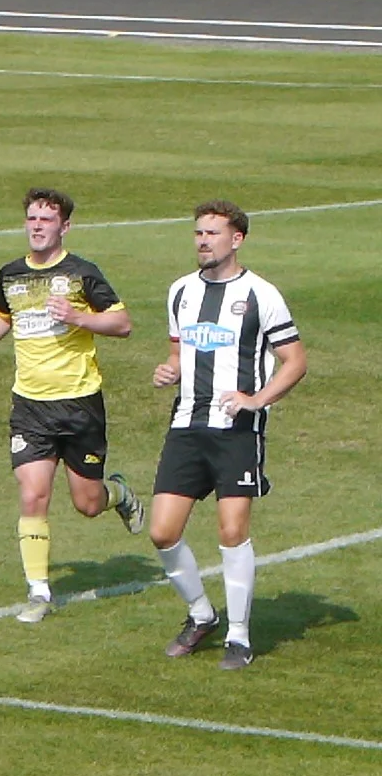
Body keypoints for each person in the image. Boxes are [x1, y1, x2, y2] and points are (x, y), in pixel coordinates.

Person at [0, 188, 145, 623]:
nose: (37, 226)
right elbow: (4, 315)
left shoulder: (82, 273)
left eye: (46, 219)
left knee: (88, 503)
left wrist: (79, 317)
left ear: (65, 227)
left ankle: (118, 493)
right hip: (30, 406)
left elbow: (122, 323)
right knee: (33, 495)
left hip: (79, 404)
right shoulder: (11, 274)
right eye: (32, 218)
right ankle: (39, 591)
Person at [146, 201, 307, 671]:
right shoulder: (181, 291)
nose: (203, 241)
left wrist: (256, 400)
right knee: (162, 531)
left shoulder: (261, 294)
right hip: (186, 425)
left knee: (233, 531)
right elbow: (178, 350)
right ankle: (202, 615)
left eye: (212, 233)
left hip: (236, 430)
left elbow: (295, 361)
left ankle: (239, 637)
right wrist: (170, 371)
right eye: (198, 232)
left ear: (236, 240)